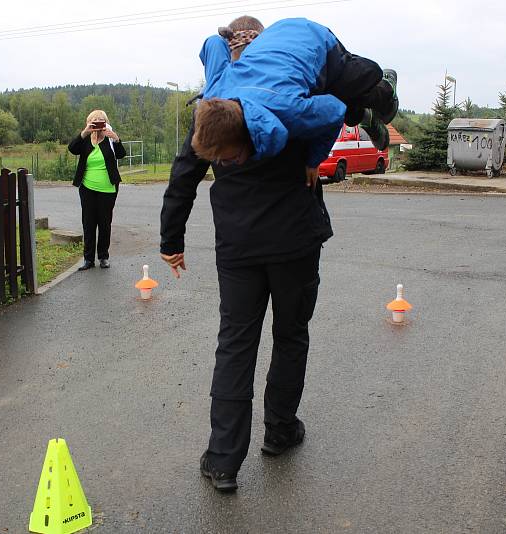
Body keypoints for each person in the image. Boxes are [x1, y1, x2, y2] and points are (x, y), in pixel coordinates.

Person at [160, 28, 334, 489]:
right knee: (291, 335)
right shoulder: (295, 90)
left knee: (236, 343)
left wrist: (170, 239)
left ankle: (222, 460)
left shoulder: (215, 102)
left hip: (238, 248)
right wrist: (314, 159)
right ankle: (280, 431)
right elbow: (335, 112)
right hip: (295, 241)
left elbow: (184, 171)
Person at [195, 17, 397, 181]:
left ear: (242, 134)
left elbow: (335, 109)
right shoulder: (214, 93)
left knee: (362, 82)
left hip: (312, 39)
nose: (225, 164)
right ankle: (365, 117)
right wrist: (225, 39)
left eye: (232, 158)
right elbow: (213, 43)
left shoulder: (290, 111)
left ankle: (387, 88)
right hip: (278, 49)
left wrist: (314, 160)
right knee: (332, 105)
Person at [68, 110, 125, 270]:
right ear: (89, 122)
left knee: (105, 223)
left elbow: (121, 155)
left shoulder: (109, 140)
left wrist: (116, 138)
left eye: (101, 120)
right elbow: (72, 148)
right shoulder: (85, 140)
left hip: (108, 188)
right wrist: (85, 132)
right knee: (88, 223)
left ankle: (103, 257)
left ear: (106, 123)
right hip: (87, 188)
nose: (98, 122)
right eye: (95, 119)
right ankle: (88, 259)